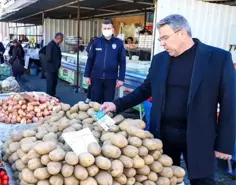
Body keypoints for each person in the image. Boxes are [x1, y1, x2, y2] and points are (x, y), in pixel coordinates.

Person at [101, 14, 236, 185]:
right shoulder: (160, 60)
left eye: (165, 37)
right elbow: (144, 90)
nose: (162, 43)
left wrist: (224, 144)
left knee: (202, 181)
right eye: (160, 39)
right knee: (164, 180)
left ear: (182, 33)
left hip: (199, 136)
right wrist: (116, 104)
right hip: (163, 135)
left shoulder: (218, 58)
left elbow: (229, 103)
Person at [84, 20, 126, 104]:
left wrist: (121, 78)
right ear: (102, 29)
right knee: (95, 102)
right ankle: (95, 117)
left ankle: (106, 117)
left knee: (108, 102)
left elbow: (122, 62)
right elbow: (90, 60)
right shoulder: (96, 42)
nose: (107, 30)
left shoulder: (119, 43)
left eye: (109, 28)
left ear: (113, 29)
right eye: (105, 28)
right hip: (96, 77)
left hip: (111, 78)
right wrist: (87, 75)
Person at [45, 32, 63, 97]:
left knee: (54, 83)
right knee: (50, 83)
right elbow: (48, 57)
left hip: (55, 68)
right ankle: (49, 97)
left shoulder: (56, 45)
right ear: (59, 38)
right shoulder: (51, 45)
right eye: (62, 39)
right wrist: (55, 61)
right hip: (51, 68)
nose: (62, 41)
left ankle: (53, 96)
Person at [85, 37, 97, 103]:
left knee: (92, 85)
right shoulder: (92, 47)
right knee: (92, 84)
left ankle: (89, 98)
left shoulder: (91, 46)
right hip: (93, 69)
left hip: (93, 68)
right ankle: (90, 98)